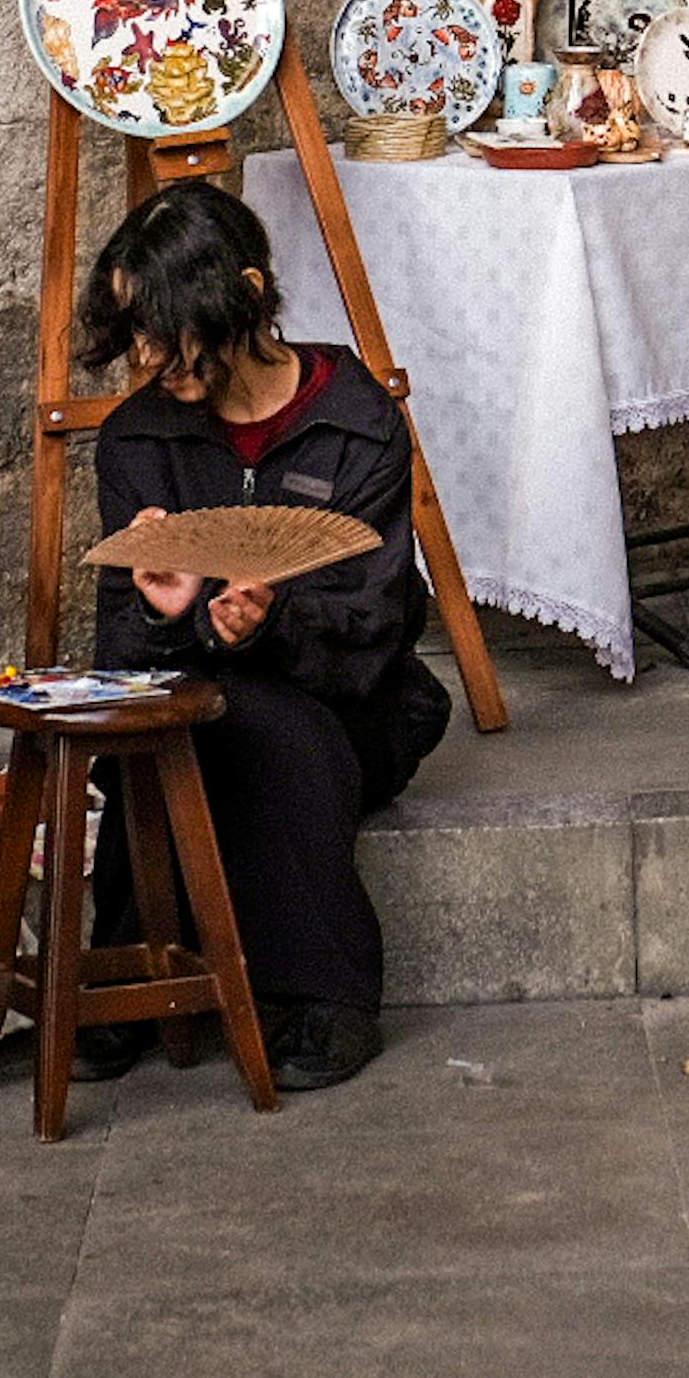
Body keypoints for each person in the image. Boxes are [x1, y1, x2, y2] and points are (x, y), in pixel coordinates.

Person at [77, 179, 452, 1091]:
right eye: (134, 332)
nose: (149, 355)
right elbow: (118, 655)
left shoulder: (356, 422)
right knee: (192, 726)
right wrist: (170, 618)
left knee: (274, 726)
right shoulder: (137, 438)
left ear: (245, 294)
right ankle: (137, 977)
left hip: (350, 703)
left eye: (168, 328)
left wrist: (270, 621)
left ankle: (317, 995)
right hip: (198, 694)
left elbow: (374, 633)